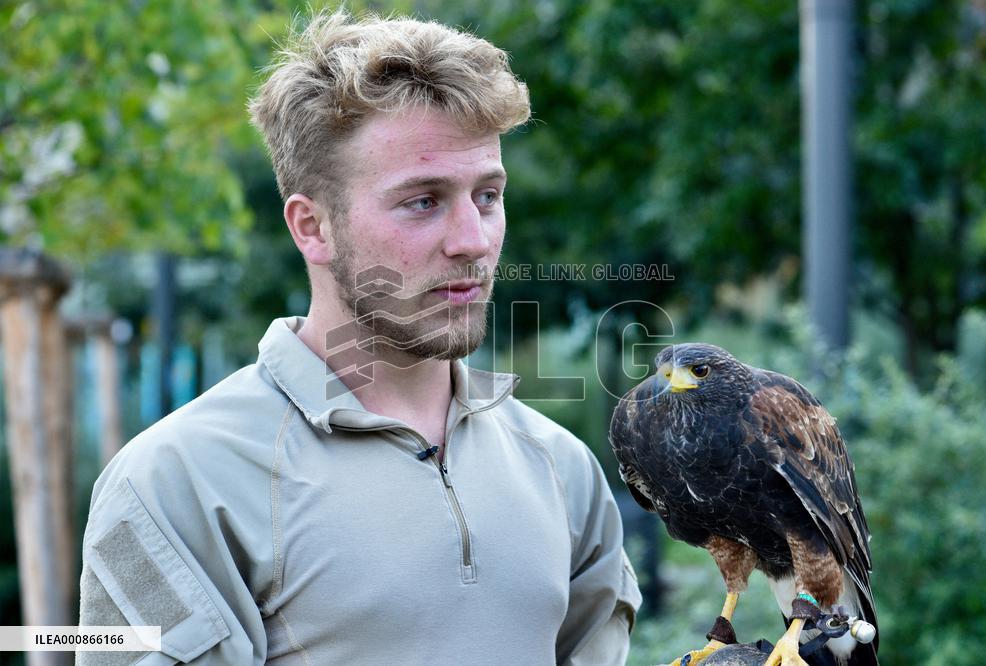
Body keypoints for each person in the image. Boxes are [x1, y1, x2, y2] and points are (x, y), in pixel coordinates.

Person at [77, 9, 641, 665]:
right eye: (423, 201)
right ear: (312, 227)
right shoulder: (177, 481)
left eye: (487, 195)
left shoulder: (560, 467)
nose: (474, 241)